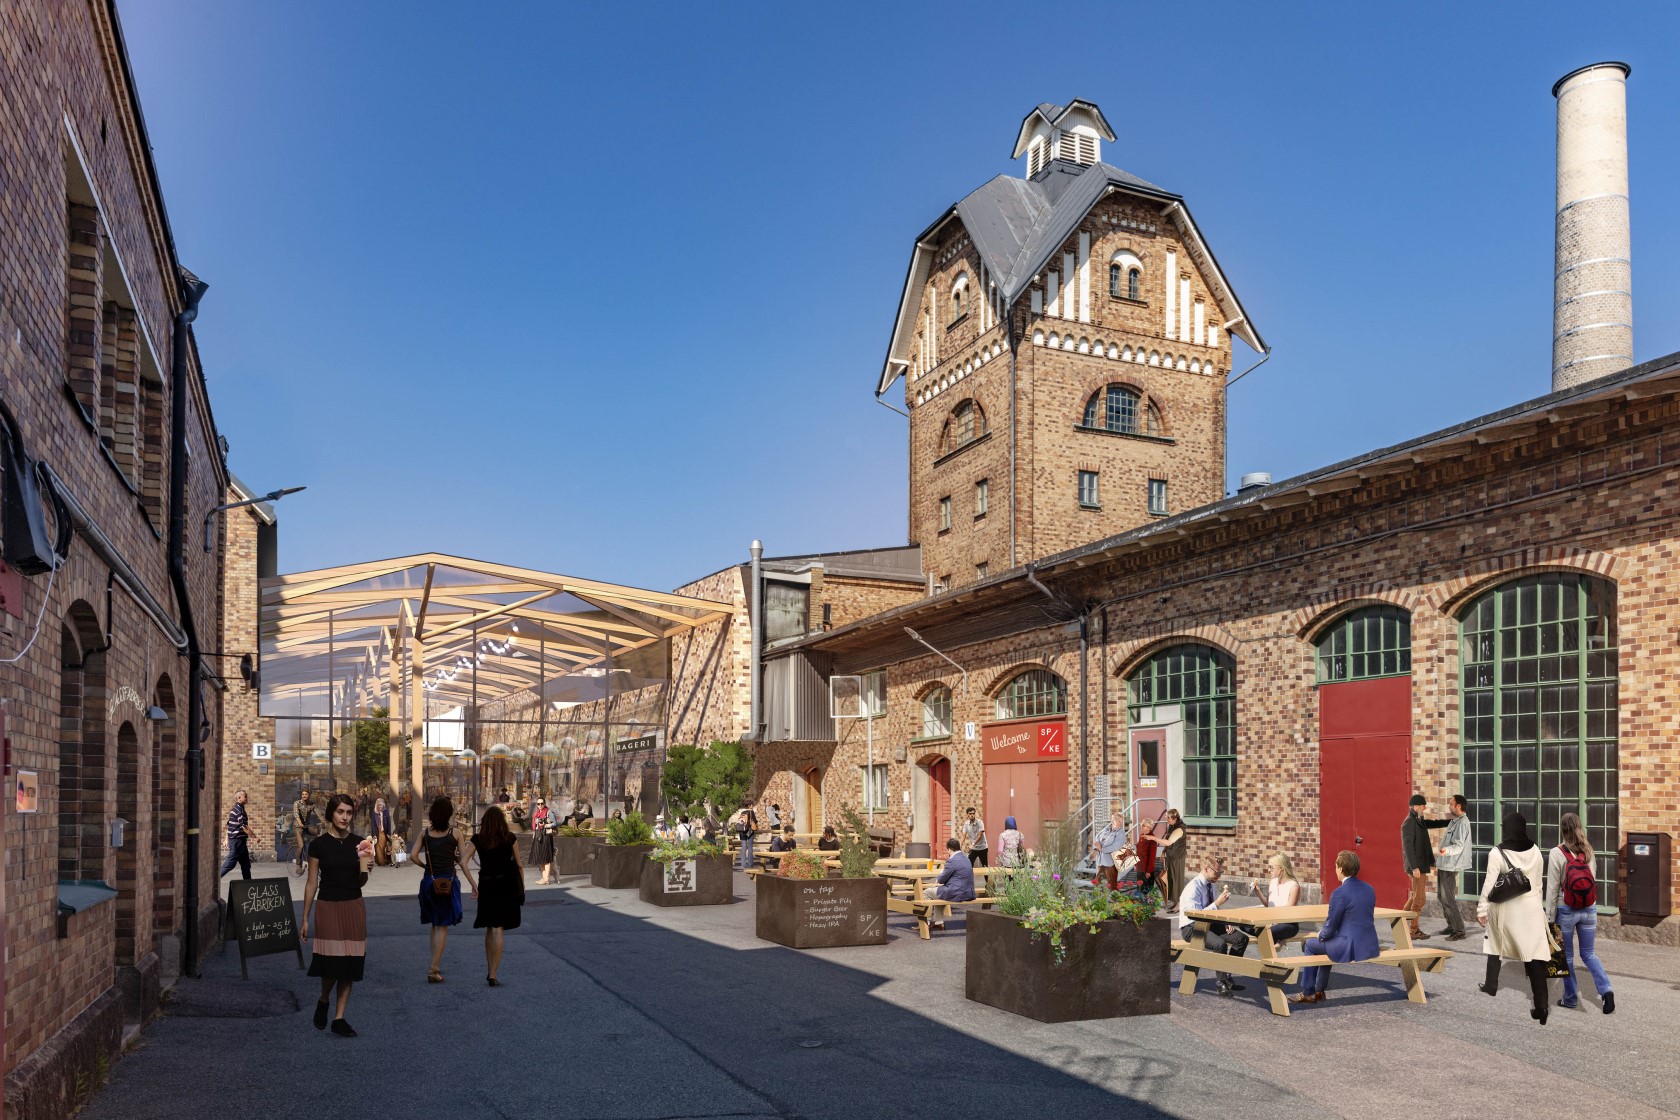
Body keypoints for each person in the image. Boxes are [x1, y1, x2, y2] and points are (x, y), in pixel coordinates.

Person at [300, 793, 369, 1037]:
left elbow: (361, 881)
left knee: (349, 964)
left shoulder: (359, 843)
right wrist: (306, 918)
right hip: (328, 907)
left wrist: (366, 866)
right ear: (331, 813)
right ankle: (323, 999)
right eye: (340, 812)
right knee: (331, 964)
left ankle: (339, 1018)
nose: (345, 817)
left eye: (349, 813)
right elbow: (311, 884)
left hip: (353, 906)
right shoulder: (318, 844)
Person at [1476, 811, 1553, 1024]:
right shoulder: (1536, 850)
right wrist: (1539, 909)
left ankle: (1491, 985)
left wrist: (1482, 910)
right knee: (1535, 958)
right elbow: (1538, 884)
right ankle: (1542, 1007)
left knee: (1495, 941)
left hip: (1507, 910)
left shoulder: (1496, 853)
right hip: (1532, 909)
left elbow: (1489, 885)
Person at [1546, 811, 1614, 1014]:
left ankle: (1570, 998)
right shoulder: (1589, 851)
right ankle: (1606, 990)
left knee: (1564, 957)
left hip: (1565, 909)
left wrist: (1549, 919)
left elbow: (1552, 889)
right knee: (1589, 953)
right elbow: (1592, 880)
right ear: (1579, 827)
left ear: (1562, 829)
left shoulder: (1557, 852)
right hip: (1589, 908)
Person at [1291, 849, 1380, 1005]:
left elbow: (1331, 925)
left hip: (1348, 945)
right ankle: (1319, 990)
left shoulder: (1339, 893)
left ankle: (1308, 992)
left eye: (1336, 866)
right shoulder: (1369, 889)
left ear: (1341, 869)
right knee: (1327, 945)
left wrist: (1321, 934)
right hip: (1368, 944)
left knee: (1311, 945)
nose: (1335, 870)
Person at [410, 796, 478, 984]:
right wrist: (473, 883)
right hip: (447, 883)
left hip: (429, 882)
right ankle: (433, 968)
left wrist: (426, 867)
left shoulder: (425, 834)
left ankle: (435, 962)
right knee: (443, 926)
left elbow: (413, 856)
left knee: (434, 924)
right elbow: (463, 862)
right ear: (449, 814)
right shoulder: (455, 834)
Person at [465, 806, 523, 986]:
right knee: (499, 928)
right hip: (506, 885)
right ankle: (493, 973)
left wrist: (473, 886)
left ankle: (489, 968)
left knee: (490, 927)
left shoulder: (478, 839)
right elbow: (519, 865)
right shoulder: (510, 838)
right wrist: (522, 888)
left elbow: (462, 862)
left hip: (487, 884)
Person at [1178, 857, 1248, 995]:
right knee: (1219, 944)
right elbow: (1195, 916)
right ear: (1206, 869)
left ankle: (1227, 976)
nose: (1219, 876)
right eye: (1217, 872)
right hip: (1191, 927)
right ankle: (1220, 983)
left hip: (1209, 924)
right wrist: (1216, 904)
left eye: (1221, 873)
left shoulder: (1211, 885)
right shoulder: (1193, 887)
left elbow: (1215, 912)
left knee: (1241, 939)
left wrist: (1225, 923)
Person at [1401, 793, 1452, 939]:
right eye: (1423, 805)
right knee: (1420, 899)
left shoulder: (1418, 819)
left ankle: (1401, 921)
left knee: (1415, 896)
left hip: (1421, 864)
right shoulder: (1409, 822)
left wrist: (1450, 822)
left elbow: (1431, 823)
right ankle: (1413, 930)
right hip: (1416, 866)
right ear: (1416, 806)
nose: (1425, 807)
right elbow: (1408, 847)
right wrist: (1415, 867)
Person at [1435, 793, 1472, 940]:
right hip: (1444, 864)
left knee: (1448, 898)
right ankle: (1451, 925)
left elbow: (1458, 845)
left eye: (1451, 803)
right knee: (1441, 896)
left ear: (1459, 806)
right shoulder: (1454, 821)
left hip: (1451, 865)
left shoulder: (1463, 823)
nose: (1449, 805)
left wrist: (1446, 851)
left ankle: (1459, 931)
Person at [1247, 853, 1302, 942]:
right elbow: (1268, 905)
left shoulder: (1294, 886)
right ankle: (1275, 939)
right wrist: (1258, 892)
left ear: (1281, 869)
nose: (1269, 870)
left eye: (1271, 867)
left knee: (1266, 931)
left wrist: (1270, 923)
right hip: (1272, 923)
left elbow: (1288, 912)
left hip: (1287, 924)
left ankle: (1270, 937)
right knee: (1244, 925)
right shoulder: (1272, 882)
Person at [1090, 807, 1131, 890]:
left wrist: (1102, 849)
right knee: (1098, 884)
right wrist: (1096, 848)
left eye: (1121, 821)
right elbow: (1097, 839)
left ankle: (1114, 902)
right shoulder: (1106, 830)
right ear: (1113, 821)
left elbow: (1116, 846)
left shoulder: (1120, 833)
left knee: (1112, 885)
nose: (1121, 823)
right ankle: (1099, 901)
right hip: (1101, 861)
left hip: (1111, 862)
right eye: (1118, 821)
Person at [220, 789, 253, 880]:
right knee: (229, 864)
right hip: (236, 842)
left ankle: (248, 886)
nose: (247, 798)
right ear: (239, 798)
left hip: (241, 842)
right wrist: (255, 837)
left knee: (246, 865)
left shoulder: (239, 809)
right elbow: (244, 827)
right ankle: (213, 879)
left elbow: (229, 825)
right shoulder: (238, 810)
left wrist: (226, 839)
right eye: (245, 796)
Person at [1159, 810, 1187, 911]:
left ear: (1175, 818)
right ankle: (1174, 901)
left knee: (1177, 880)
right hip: (1171, 856)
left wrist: (1153, 838)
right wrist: (1163, 852)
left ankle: (1179, 904)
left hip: (1178, 858)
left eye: (1168, 818)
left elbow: (1168, 842)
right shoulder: (1171, 826)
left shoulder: (1179, 829)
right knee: (1170, 879)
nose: (1167, 820)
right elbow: (1168, 841)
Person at [292, 789, 322, 876]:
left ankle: (316, 853)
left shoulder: (312, 804)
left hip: (307, 826)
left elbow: (318, 814)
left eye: (306, 794)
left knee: (319, 832)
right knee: (300, 846)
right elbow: (296, 814)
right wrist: (300, 823)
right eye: (303, 794)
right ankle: (298, 865)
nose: (304, 795)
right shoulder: (297, 803)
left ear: (309, 795)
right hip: (298, 826)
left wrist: (326, 823)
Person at [531, 798, 557, 884]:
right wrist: (536, 823)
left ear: (545, 803)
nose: (540, 805)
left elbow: (555, 823)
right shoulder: (537, 813)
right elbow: (535, 826)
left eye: (542, 803)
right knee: (540, 857)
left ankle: (546, 879)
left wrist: (545, 825)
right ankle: (544, 878)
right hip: (538, 836)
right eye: (538, 804)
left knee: (546, 858)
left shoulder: (549, 812)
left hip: (546, 836)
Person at [370, 796, 396, 867]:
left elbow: (388, 823)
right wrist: (374, 834)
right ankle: (381, 862)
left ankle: (386, 860)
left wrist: (389, 833)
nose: (380, 806)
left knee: (385, 846)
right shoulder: (374, 813)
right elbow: (372, 825)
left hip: (384, 832)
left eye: (381, 805)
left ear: (383, 805)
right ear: (376, 805)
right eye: (379, 805)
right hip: (377, 832)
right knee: (378, 848)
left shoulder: (386, 812)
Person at [735, 804, 760, 870]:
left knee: (743, 847)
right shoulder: (751, 812)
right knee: (750, 847)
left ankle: (743, 864)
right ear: (749, 805)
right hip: (749, 831)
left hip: (742, 831)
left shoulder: (742, 813)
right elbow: (755, 821)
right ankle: (750, 863)